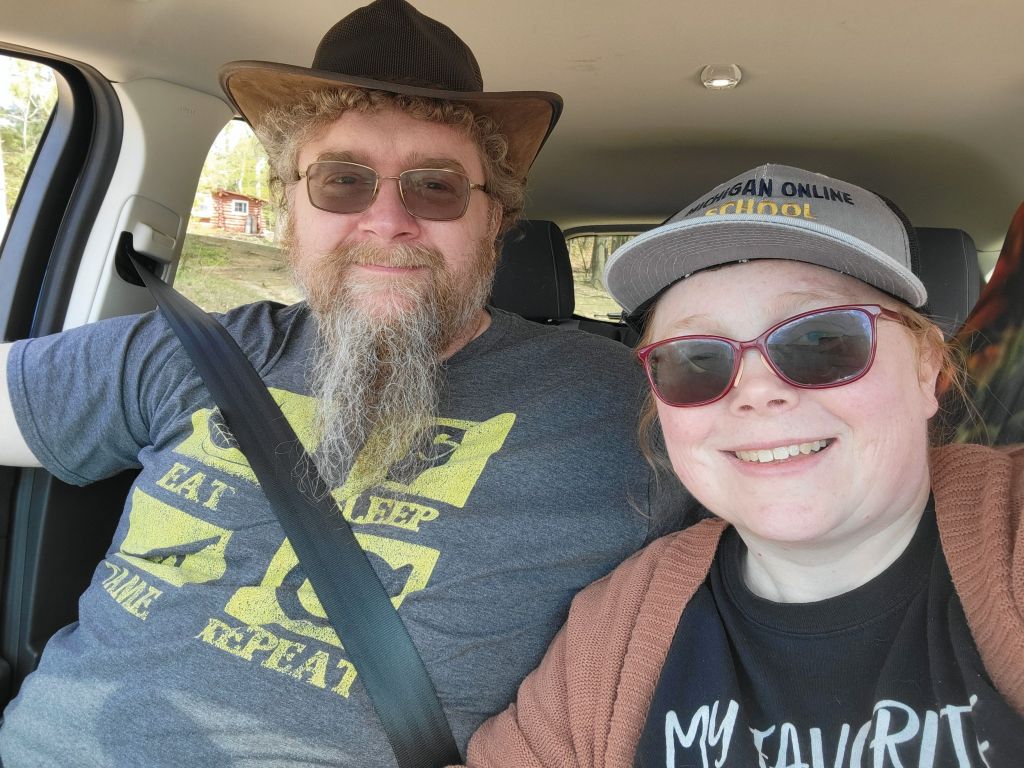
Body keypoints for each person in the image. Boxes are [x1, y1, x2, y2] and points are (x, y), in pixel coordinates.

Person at [0, 1, 688, 764]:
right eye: (342, 181)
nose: (387, 221)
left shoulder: (618, 402)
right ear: (288, 208)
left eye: (435, 187)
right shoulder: (193, 349)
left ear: (494, 220)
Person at [465, 164, 1024, 767]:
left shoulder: (1008, 537)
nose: (756, 392)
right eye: (695, 360)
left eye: (822, 341)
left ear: (925, 369)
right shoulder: (619, 623)